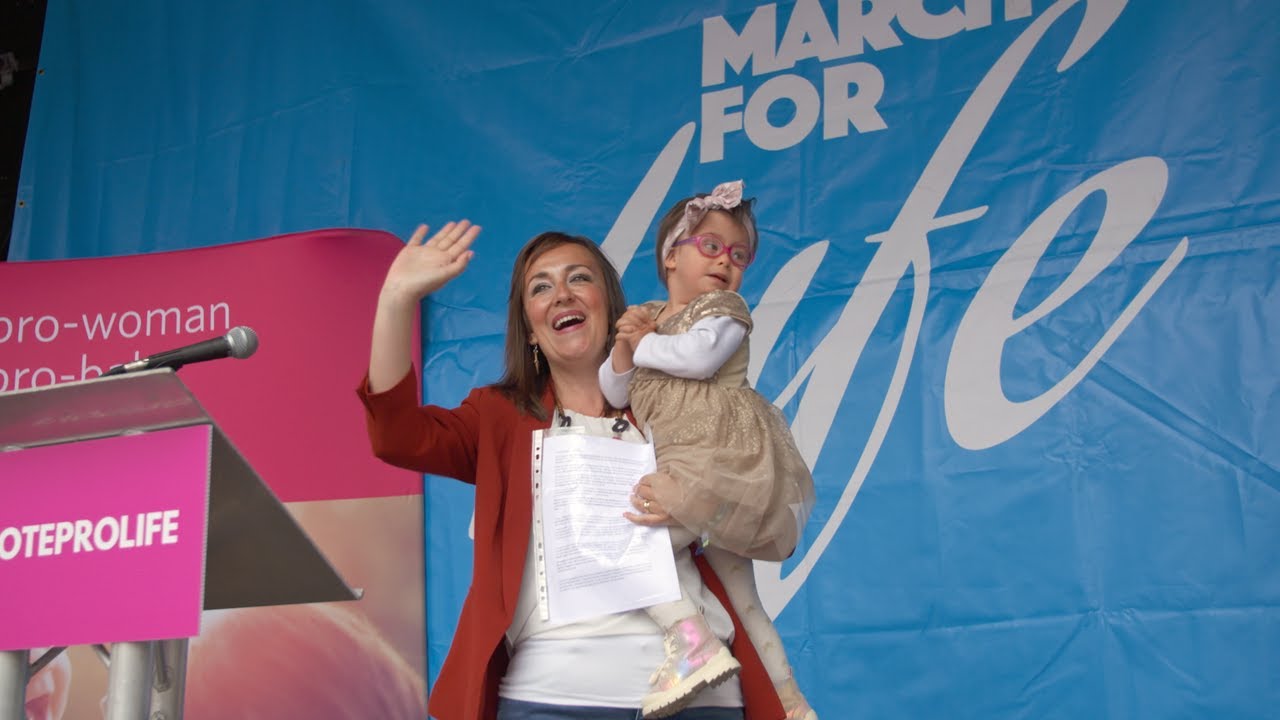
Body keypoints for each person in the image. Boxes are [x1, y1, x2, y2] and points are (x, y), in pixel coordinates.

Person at [357, 221, 788, 720]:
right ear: (530, 326)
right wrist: (396, 299)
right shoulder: (499, 417)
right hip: (552, 695)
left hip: (700, 699)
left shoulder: (679, 400)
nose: (562, 294)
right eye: (541, 287)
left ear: (610, 302)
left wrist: (697, 507)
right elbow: (397, 435)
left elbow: (753, 517)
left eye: (579, 278)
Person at [599, 181, 818, 720]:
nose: (727, 263)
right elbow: (614, 390)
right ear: (671, 256)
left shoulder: (724, 310)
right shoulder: (650, 316)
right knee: (746, 601)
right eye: (711, 247)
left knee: (629, 546)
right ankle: (791, 704)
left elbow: (697, 358)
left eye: (739, 256)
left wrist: (642, 341)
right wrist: (624, 346)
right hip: (682, 462)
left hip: (719, 461)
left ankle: (690, 638)